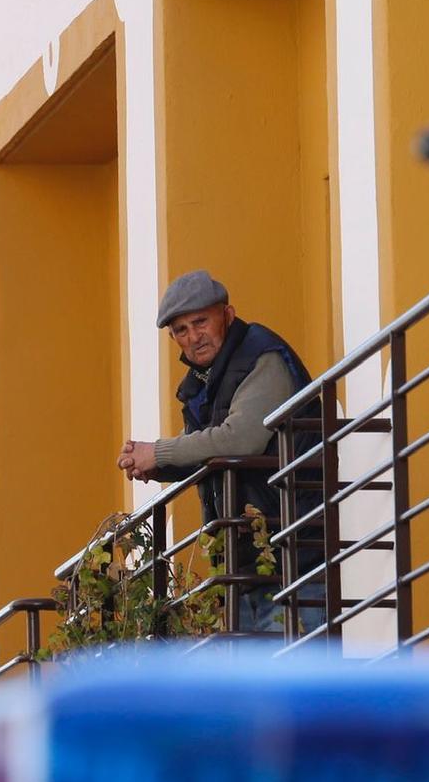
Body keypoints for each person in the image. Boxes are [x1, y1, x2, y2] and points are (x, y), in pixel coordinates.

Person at [116, 270, 321, 633]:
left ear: (227, 315)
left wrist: (159, 452)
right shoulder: (204, 380)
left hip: (294, 551)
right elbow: (206, 445)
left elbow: (241, 439)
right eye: (180, 330)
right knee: (252, 686)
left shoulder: (262, 356)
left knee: (286, 679)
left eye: (200, 322)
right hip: (247, 559)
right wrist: (153, 463)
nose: (193, 337)